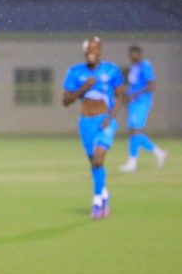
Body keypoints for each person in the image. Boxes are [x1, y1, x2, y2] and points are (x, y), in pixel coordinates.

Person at [62, 37, 124, 220]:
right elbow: (65, 101)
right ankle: (104, 192)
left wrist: (110, 118)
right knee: (94, 163)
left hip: (105, 121)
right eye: (89, 49)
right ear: (84, 52)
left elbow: (120, 96)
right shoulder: (75, 72)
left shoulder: (111, 70)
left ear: (100, 51)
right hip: (86, 122)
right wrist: (83, 88)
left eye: (95, 48)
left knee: (98, 159)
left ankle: (97, 201)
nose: (92, 52)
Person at [118, 45, 167, 172]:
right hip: (133, 103)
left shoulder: (145, 66)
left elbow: (151, 86)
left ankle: (134, 162)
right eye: (129, 55)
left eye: (133, 55)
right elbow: (133, 85)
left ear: (139, 54)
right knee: (133, 132)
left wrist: (135, 95)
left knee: (136, 131)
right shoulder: (134, 67)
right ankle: (157, 154)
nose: (131, 57)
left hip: (141, 102)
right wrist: (126, 95)